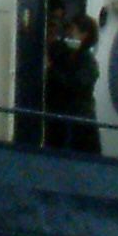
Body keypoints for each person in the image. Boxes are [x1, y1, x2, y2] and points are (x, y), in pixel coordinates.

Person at [44, 14, 102, 155]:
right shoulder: (64, 53)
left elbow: (75, 85)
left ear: (84, 35)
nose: (68, 33)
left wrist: (51, 69)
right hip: (58, 117)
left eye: (72, 29)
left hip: (79, 121)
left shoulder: (88, 62)